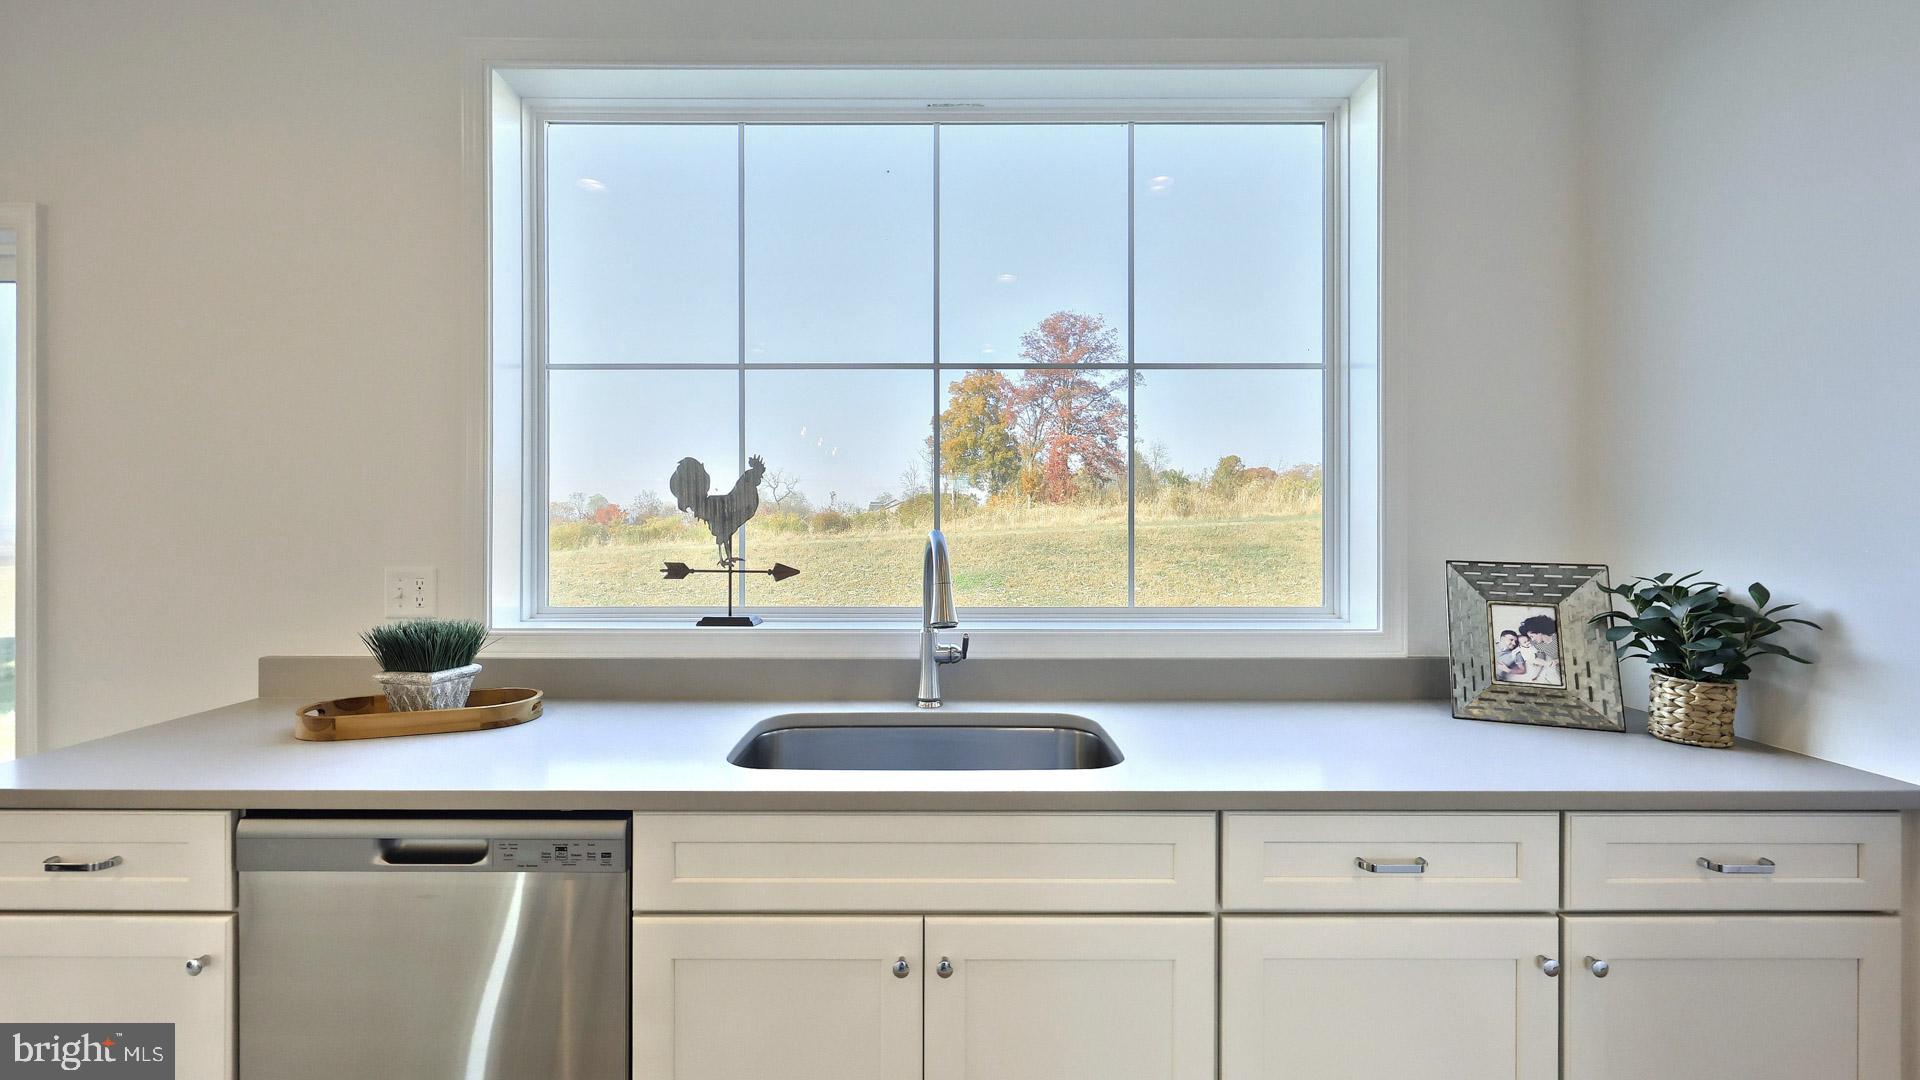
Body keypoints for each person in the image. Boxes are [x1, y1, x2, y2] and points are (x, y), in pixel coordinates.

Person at [1517, 614, 1561, 683]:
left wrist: (1557, 661)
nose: (1532, 639)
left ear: (1539, 632)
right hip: (1560, 672)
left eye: (1532, 636)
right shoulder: (1537, 645)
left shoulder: (1557, 636)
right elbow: (1535, 658)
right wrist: (1535, 675)